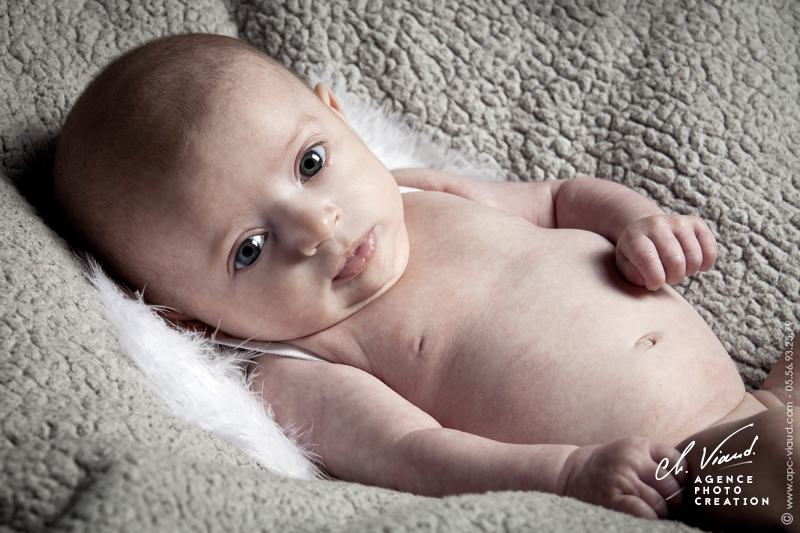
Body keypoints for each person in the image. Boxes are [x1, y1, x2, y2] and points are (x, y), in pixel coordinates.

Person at [52, 33, 795, 531]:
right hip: (693, 461)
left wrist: (639, 224)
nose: (317, 226)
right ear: (186, 318)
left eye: (311, 163)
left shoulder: (421, 191)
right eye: (249, 249)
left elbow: (560, 198)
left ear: (339, 119)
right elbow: (416, 454)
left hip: (756, 395)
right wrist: (570, 473)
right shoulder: (300, 367)